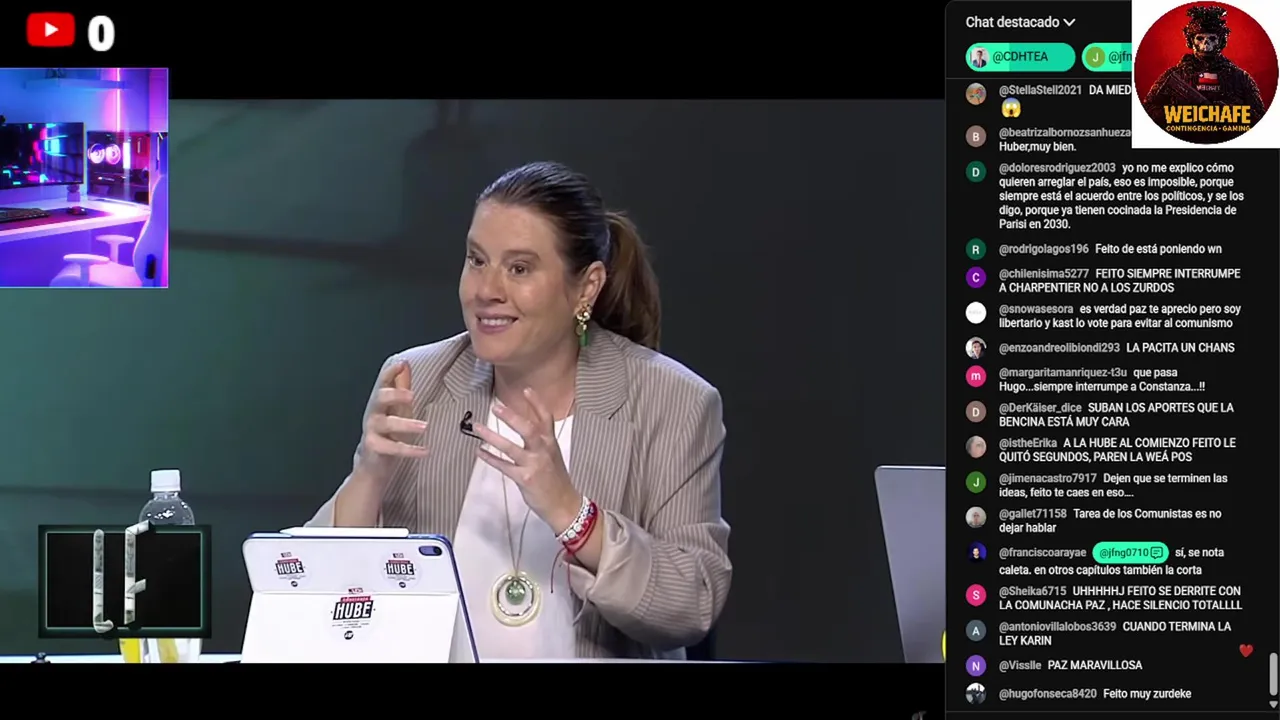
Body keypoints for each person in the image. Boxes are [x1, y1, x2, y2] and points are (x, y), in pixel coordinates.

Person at [306, 161, 732, 660]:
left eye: (519, 269)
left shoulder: (672, 402)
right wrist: (369, 475)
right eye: (477, 260)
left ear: (586, 287)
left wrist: (572, 514)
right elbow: (315, 599)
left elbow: (692, 602)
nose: (486, 290)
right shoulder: (417, 383)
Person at [1141, 5, 1267, 143]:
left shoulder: (1240, 78)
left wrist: (1230, 113)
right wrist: (1180, 115)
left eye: (1212, 38)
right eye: (1200, 38)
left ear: (1221, 41)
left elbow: (1259, 117)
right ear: (1191, 41)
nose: (1206, 43)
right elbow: (1149, 109)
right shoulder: (1174, 75)